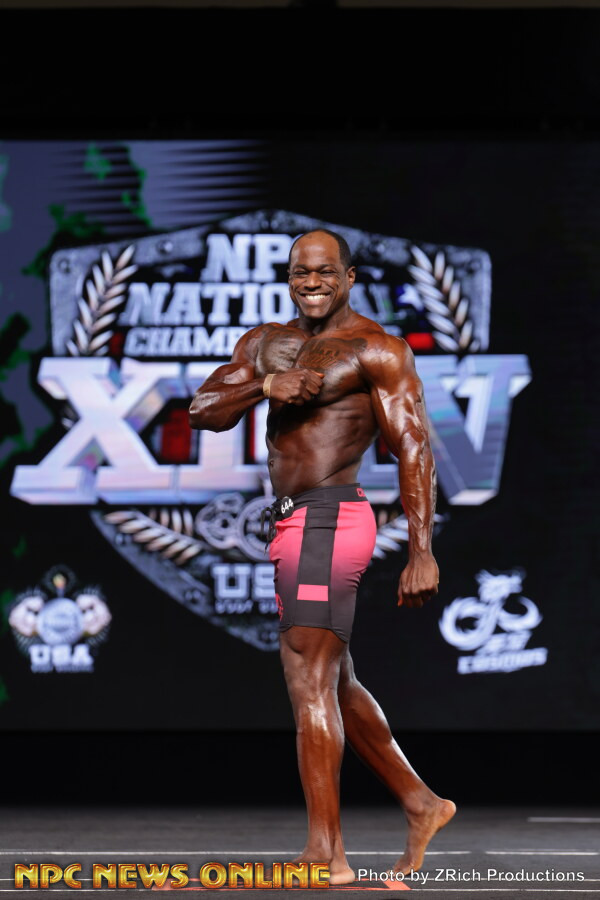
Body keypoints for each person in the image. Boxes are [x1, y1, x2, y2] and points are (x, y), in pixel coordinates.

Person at [189, 228, 456, 885]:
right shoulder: (264, 344)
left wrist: (421, 549)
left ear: (349, 277)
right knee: (334, 678)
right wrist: (265, 386)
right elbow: (202, 410)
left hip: (330, 518)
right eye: (300, 272)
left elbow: (414, 445)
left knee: (307, 677)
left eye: (325, 272)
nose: (311, 282)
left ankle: (324, 855)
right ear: (289, 278)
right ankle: (422, 802)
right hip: (292, 522)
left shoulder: (377, 350)